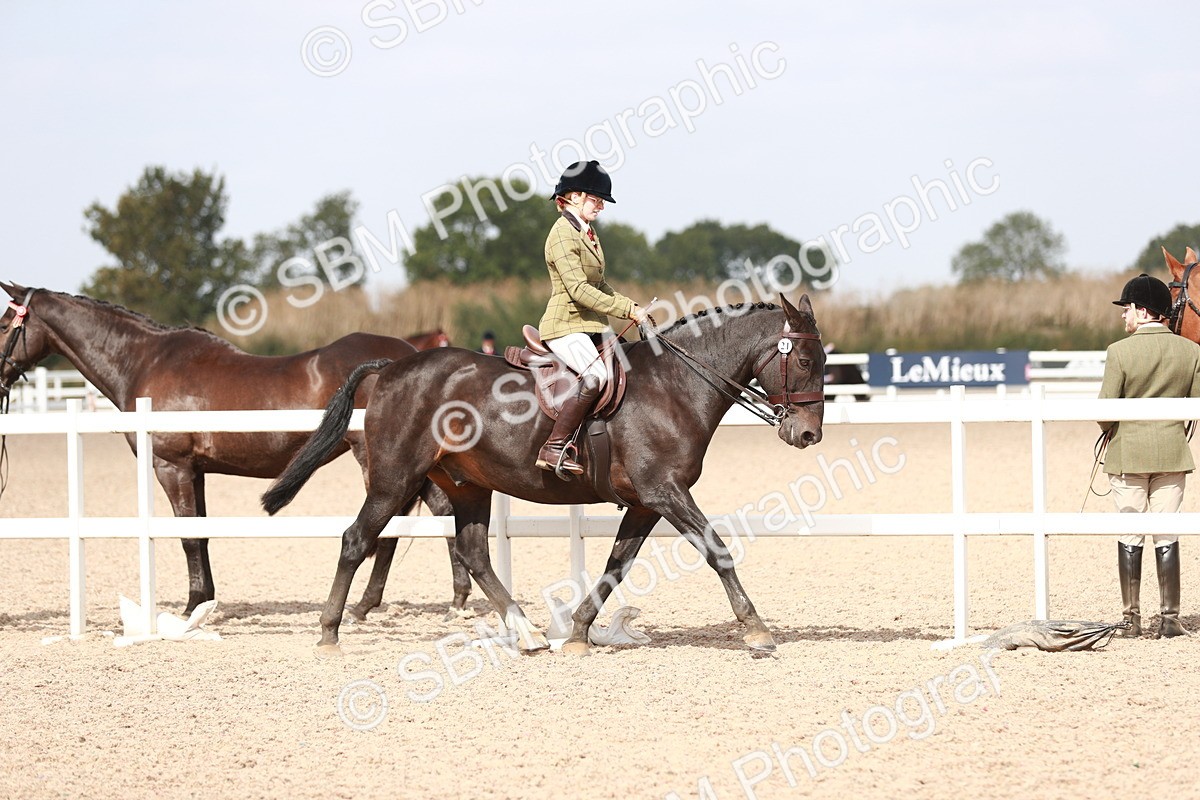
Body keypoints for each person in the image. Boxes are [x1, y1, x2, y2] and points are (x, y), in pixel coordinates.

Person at [1100, 273, 1200, 638]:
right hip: (1173, 453)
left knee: (1130, 532)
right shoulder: (1191, 351)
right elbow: (1195, 405)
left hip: (1128, 453)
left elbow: (1104, 410)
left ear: (1142, 312)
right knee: (1167, 533)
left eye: (1126, 309)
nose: (1123, 316)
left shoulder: (1119, 352)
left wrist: (1109, 431)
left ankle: (1131, 620)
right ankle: (1170, 620)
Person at [535, 160, 645, 476]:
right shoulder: (561, 235)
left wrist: (632, 307)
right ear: (574, 197)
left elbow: (601, 285)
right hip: (565, 324)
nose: (601, 207)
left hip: (591, 325)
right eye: (596, 200)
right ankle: (554, 446)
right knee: (595, 376)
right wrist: (624, 311)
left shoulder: (586, 231)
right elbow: (579, 290)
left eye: (601, 202)